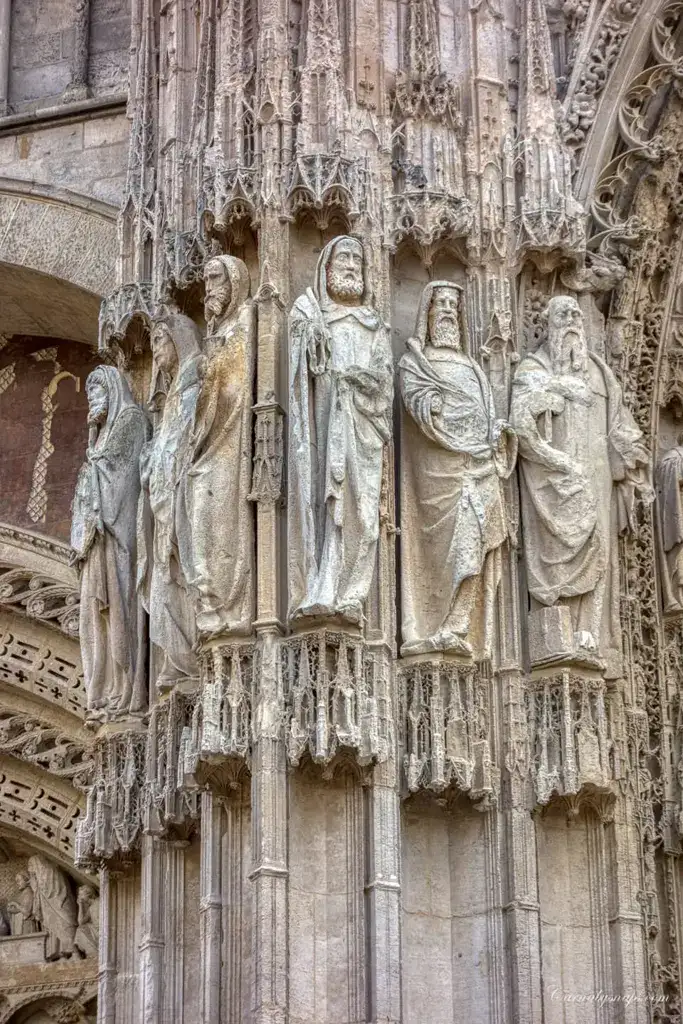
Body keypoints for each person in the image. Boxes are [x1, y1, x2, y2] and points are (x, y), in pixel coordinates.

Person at [511, 295, 653, 673]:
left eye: (577, 314)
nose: (572, 320)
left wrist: (631, 451)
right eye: (563, 314)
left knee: (600, 554)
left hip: (597, 480)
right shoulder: (533, 367)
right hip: (554, 485)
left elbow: (621, 426)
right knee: (556, 559)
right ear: (549, 325)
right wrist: (552, 397)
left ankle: (591, 635)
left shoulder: (600, 372)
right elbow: (521, 425)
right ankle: (554, 641)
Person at [399, 281, 516, 658]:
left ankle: (458, 624)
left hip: (479, 467)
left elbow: (485, 412)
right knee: (449, 544)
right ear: (428, 313)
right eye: (441, 304)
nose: (448, 310)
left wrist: (496, 433)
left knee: (477, 540)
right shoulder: (417, 361)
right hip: (437, 472)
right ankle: (433, 623)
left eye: (454, 305)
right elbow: (413, 397)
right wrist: (429, 403)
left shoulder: (473, 368)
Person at [288, 236, 393, 624]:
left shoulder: (374, 326)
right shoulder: (316, 315)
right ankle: (323, 585)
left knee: (364, 514)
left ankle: (354, 594)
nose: (350, 265)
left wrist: (356, 381)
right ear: (326, 270)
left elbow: (384, 380)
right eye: (343, 257)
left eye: (357, 259)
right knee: (327, 507)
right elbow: (303, 373)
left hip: (364, 428)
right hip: (323, 425)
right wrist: (308, 336)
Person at [71, 366, 149, 716]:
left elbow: (118, 477)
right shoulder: (102, 433)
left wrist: (94, 458)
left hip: (116, 537)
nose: (93, 403)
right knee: (94, 616)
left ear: (114, 391)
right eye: (89, 397)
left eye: (99, 394)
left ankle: (124, 685)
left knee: (118, 606)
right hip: (96, 541)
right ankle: (102, 690)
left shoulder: (131, 420)